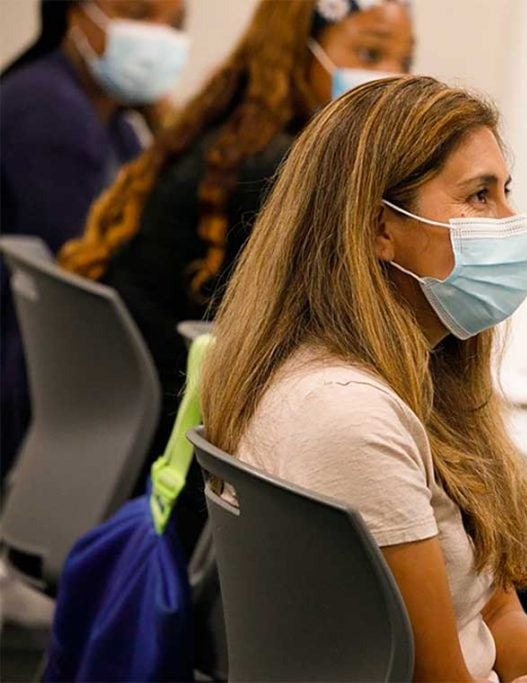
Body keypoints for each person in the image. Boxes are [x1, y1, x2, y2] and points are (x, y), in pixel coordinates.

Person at [202, 76, 527, 683]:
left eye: (506, 192)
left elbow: (495, 605)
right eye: (479, 196)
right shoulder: (347, 416)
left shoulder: (414, 374)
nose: (511, 221)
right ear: (380, 228)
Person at [57, 0, 413, 508]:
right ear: (297, 51)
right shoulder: (272, 170)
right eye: (370, 53)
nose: (391, 78)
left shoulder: (232, 136)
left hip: (142, 429)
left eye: (404, 59)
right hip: (190, 447)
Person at [1, 0, 187, 480]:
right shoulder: (48, 110)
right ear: (74, 14)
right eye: (140, 15)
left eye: (175, 24)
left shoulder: (117, 124)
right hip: (30, 374)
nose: (158, 38)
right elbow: (84, 270)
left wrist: (165, 122)